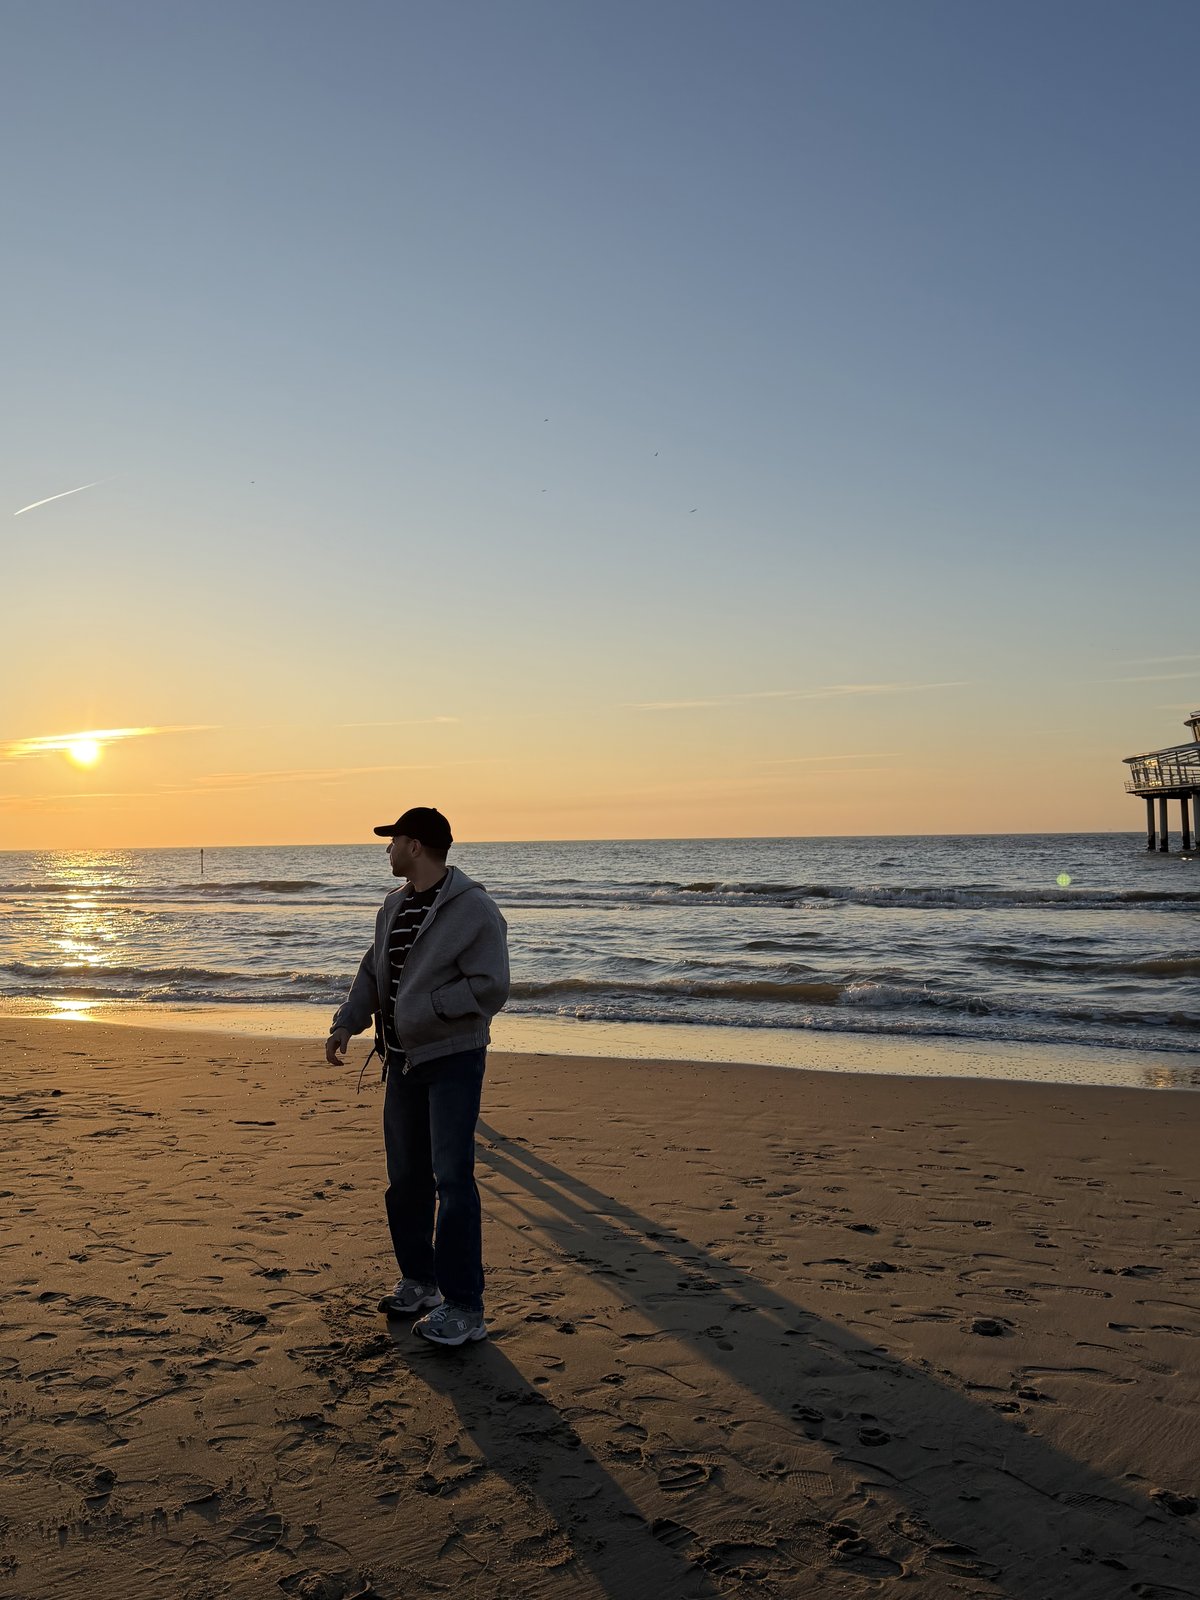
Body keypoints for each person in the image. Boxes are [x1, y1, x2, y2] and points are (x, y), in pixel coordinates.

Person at [325, 807, 509, 1346]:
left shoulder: (473, 907)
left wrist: (427, 1009)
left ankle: (465, 1307)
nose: (387, 850)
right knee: (406, 1179)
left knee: (452, 1181)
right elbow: (373, 971)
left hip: (453, 1059)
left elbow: (491, 985)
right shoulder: (394, 906)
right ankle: (419, 1281)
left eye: (393, 841)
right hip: (401, 1062)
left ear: (416, 846)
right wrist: (348, 1023)